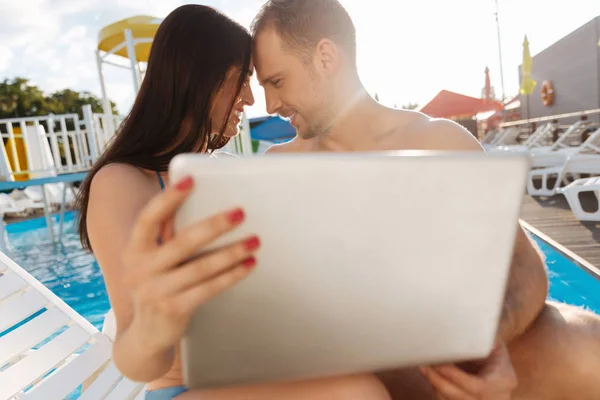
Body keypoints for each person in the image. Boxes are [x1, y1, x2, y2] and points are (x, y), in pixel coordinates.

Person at [251, 0, 600, 399]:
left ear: (326, 56)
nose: (270, 106)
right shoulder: (277, 171)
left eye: (276, 82)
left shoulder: (437, 142)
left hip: (442, 366)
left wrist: (483, 346)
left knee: (587, 350)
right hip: (351, 381)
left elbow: (521, 265)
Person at [77, 4, 392, 400]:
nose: (249, 98)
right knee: (359, 392)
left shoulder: (225, 171)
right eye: (241, 79)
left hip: (252, 375)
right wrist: (154, 327)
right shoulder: (121, 182)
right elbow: (138, 359)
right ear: (198, 77)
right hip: (184, 387)